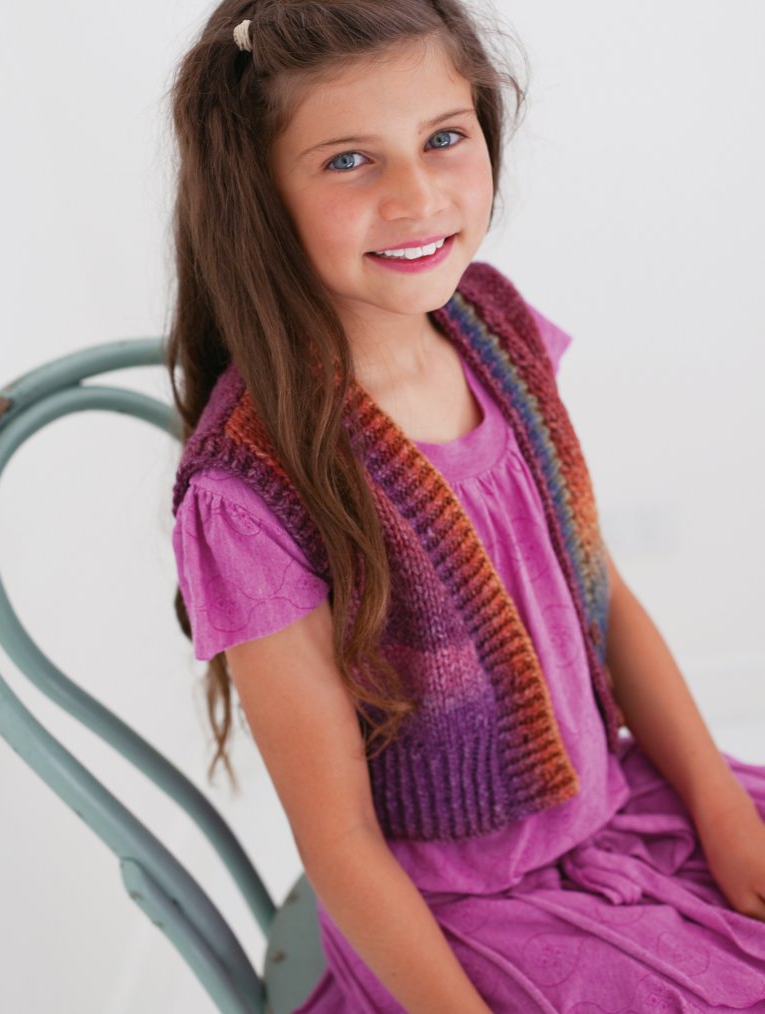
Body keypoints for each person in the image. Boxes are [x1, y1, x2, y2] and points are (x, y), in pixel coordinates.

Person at [167, 1, 765, 1009]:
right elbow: (340, 844)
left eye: (443, 138)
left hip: (616, 809)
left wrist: (717, 805)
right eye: (348, 160)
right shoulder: (252, 494)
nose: (415, 196)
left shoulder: (497, 331)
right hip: (453, 912)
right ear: (257, 193)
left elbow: (604, 600)